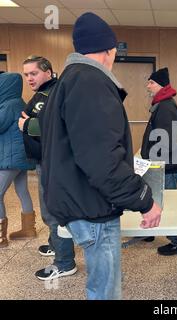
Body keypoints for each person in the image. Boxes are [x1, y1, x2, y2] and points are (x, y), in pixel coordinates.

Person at [40, 12, 162, 300]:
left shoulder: (69, 81)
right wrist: (144, 201)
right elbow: (102, 160)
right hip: (92, 207)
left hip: (77, 200)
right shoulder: (90, 83)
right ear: (110, 50)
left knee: (100, 287)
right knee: (105, 291)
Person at [15, 55, 77, 281]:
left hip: (52, 163)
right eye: (26, 75)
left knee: (53, 213)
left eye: (34, 73)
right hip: (47, 161)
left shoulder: (51, 94)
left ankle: (64, 262)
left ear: (48, 72)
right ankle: (56, 245)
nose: (29, 78)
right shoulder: (47, 92)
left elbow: (56, 126)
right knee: (52, 210)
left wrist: (26, 124)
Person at [141, 67, 177, 256]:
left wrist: (156, 166)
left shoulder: (165, 106)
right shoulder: (162, 104)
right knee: (158, 201)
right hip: (166, 165)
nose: (148, 86)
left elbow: (166, 140)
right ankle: (152, 229)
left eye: (151, 82)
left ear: (160, 85)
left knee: (166, 205)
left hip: (167, 166)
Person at [0, 72, 35, 248]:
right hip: (21, 157)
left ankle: (0, 238)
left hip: (11, 157)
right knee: (22, 190)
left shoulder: (8, 105)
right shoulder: (19, 102)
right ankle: (29, 229)